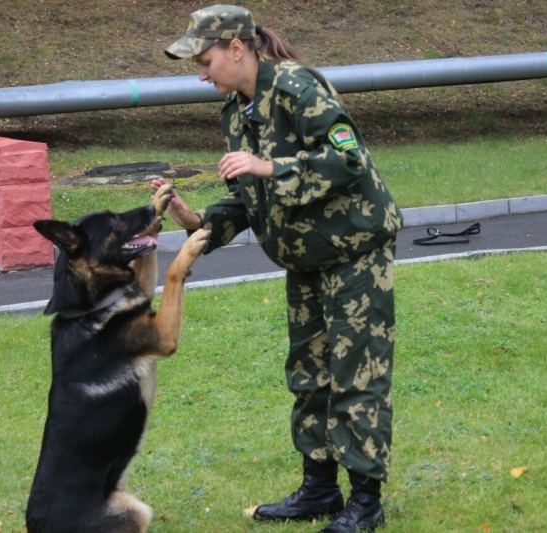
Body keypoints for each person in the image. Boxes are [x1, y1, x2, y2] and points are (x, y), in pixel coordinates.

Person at [154, 5, 403, 532]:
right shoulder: (237, 111)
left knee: (356, 374)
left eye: (205, 60)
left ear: (237, 49)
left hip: (355, 251)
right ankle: (319, 489)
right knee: (310, 375)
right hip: (305, 258)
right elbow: (248, 199)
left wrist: (270, 166)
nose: (201, 73)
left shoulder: (297, 88)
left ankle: (366, 502)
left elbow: (350, 157)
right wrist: (193, 219)